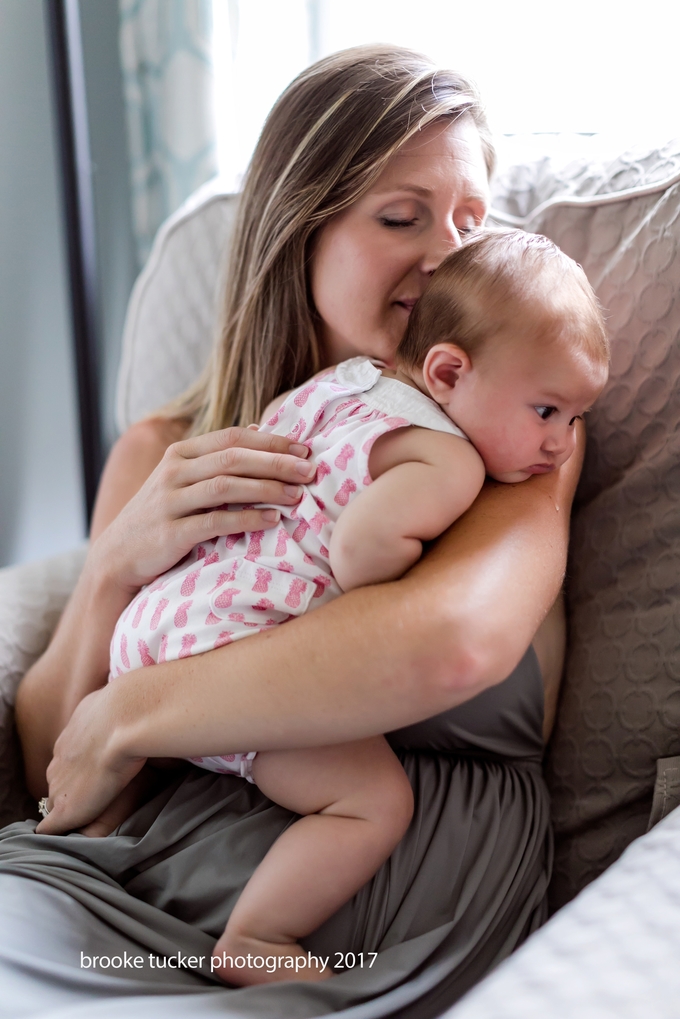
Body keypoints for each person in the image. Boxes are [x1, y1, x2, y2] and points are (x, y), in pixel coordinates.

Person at [5, 46, 584, 1018]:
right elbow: (48, 775)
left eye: (472, 224)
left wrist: (131, 708)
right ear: (297, 231)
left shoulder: (513, 432)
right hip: (103, 890)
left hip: (353, 929)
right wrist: (111, 571)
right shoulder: (164, 448)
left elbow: (451, 643)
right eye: (400, 216)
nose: (444, 252)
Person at [103, 229, 608, 987]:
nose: (564, 442)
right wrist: (403, 573)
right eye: (547, 411)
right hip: (225, 651)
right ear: (448, 370)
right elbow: (362, 548)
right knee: (372, 801)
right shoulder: (448, 460)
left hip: (166, 621)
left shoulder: (344, 384)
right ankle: (259, 934)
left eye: (573, 416)